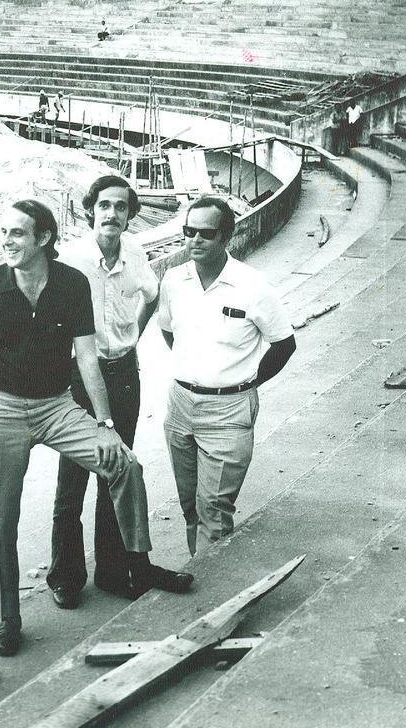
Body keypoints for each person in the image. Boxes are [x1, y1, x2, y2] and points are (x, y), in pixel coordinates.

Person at [0, 199, 193, 657]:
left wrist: (105, 425)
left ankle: (138, 564)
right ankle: (7, 618)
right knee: (2, 520)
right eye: (4, 232)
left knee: (125, 464)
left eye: (17, 233)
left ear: (43, 238)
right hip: (2, 409)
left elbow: (87, 357)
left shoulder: (70, 283)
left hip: (56, 405)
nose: (7, 241)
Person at [159, 197, 296, 555]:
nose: (195, 240)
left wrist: (247, 381)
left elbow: (284, 344)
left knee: (214, 510)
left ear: (226, 236)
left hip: (229, 412)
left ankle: (210, 585)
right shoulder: (174, 280)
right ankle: (199, 567)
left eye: (206, 233)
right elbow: (169, 331)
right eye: (189, 231)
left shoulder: (252, 286)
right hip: (180, 405)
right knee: (190, 505)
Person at [46, 176, 158, 609]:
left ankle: (111, 571)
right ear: (91, 209)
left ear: (130, 214)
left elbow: (152, 294)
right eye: (105, 205)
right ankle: (65, 576)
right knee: (72, 478)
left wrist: (134, 335)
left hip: (124, 373)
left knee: (118, 471)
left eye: (121, 206)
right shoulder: (71, 259)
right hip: (80, 376)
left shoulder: (136, 254)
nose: (112, 214)